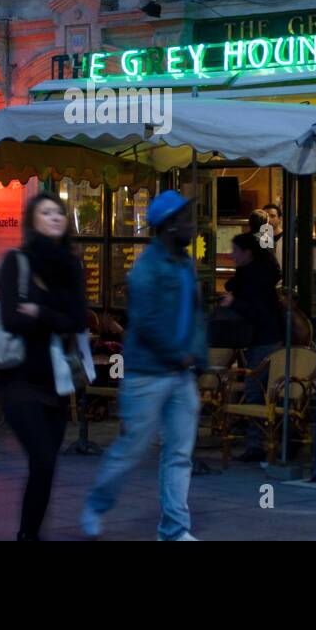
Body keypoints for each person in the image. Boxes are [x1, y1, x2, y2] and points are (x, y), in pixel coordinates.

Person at [81, 190, 207, 541]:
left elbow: (195, 315)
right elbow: (146, 321)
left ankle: (174, 530)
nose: (193, 226)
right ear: (168, 226)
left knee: (179, 454)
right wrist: (178, 355)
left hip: (181, 374)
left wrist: (197, 357)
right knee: (131, 449)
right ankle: (97, 503)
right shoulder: (146, 269)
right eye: (186, 220)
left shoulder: (185, 264)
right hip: (147, 374)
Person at [0, 192, 88, 540]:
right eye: (46, 212)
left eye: (59, 212)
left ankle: (28, 533)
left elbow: (78, 320)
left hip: (57, 380)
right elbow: (9, 319)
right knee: (44, 459)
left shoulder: (70, 266)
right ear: (32, 221)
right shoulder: (16, 262)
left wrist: (40, 312)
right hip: (18, 379)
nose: (54, 217)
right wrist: (55, 317)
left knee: (46, 466)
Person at [223, 232, 285, 462]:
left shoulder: (254, 279)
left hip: (262, 339)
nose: (232, 255)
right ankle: (268, 441)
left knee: (254, 388)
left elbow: (258, 312)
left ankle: (258, 444)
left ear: (247, 252)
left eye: (235, 251)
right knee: (263, 390)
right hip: (268, 337)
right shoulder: (257, 274)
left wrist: (234, 302)